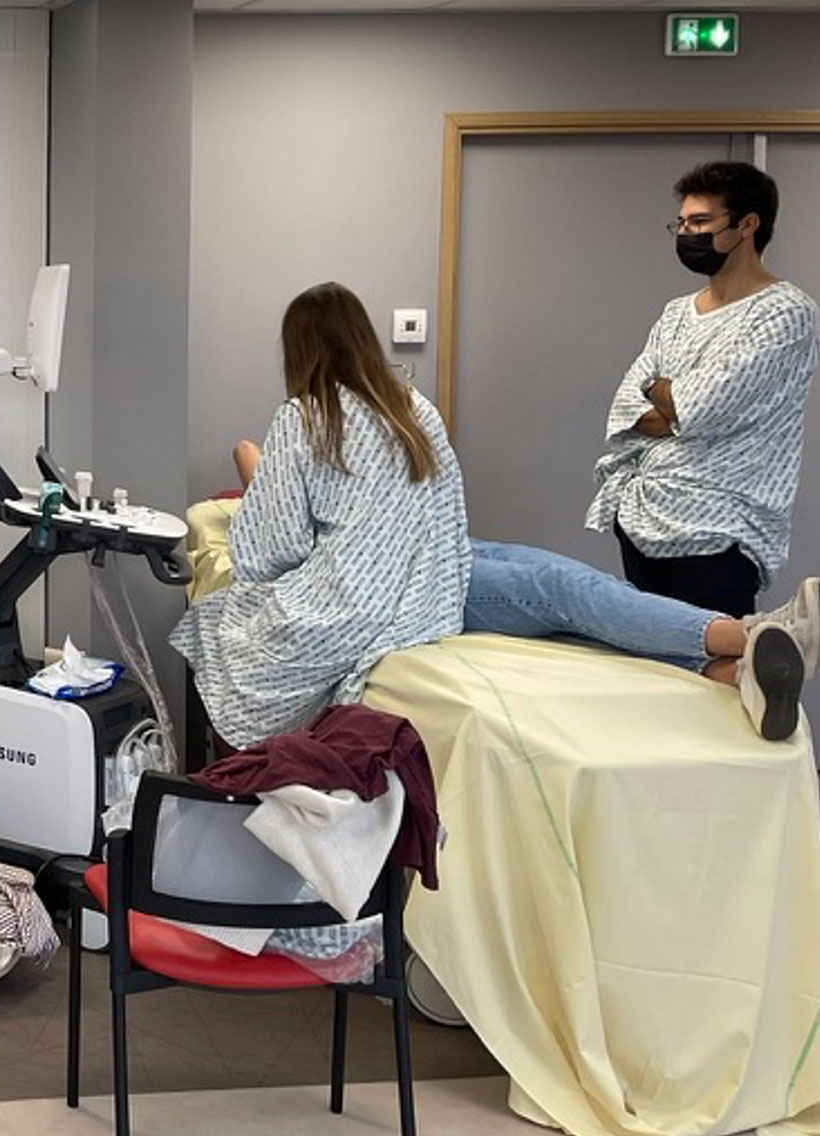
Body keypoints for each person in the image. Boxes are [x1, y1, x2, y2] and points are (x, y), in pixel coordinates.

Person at [231, 440, 818, 742]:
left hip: (445, 546)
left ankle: (726, 675)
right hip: (408, 587)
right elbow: (246, 452)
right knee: (557, 588)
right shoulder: (287, 514)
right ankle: (746, 634)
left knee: (583, 599)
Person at [173, 283, 470, 750]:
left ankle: (236, 774)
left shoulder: (305, 418)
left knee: (218, 633)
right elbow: (450, 516)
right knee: (552, 583)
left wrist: (251, 468)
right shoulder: (419, 412)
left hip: (341, 605)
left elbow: (274, 549)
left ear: (300, 351)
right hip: (430, 595)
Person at [587, 161, 820, 616]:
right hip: (643, 515)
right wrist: (665, 396)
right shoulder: (676, 313)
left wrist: (669, 398)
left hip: (721, 528)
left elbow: (702, 405)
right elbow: (626, 405)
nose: (686, 233)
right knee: (656, 669)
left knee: (714, 669)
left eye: (700, 222)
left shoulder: (784, 313)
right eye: (681, 222)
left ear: (747, 225)